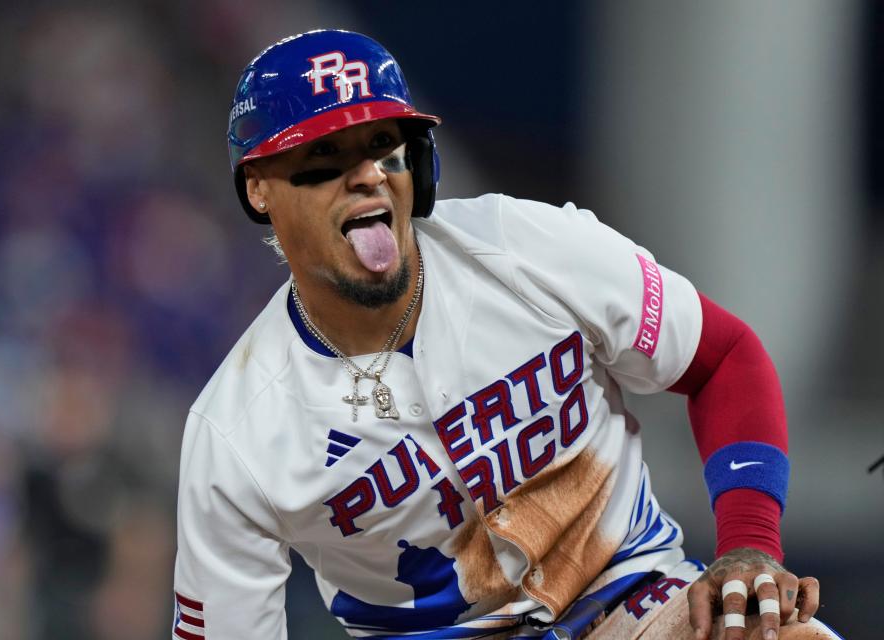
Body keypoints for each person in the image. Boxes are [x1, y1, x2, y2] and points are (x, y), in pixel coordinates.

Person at [172, 29, 841, 640]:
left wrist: (750, 542)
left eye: (384, 144)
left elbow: (723, 357)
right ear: (260, 190)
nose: (367, 173)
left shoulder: (525, 247)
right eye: (325, 155)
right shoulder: (236, 430)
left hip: (633, 611)